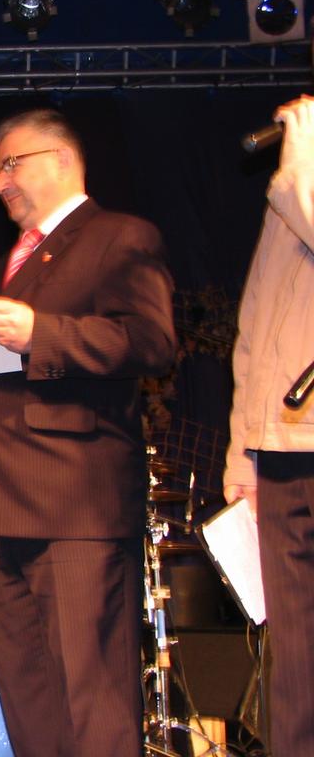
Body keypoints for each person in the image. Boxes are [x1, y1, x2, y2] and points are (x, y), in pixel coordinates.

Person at [0, 108, 175, 756]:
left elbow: (151, 340)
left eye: (10, 165)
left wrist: (42, 332)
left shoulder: (120, 237)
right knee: (29, 697)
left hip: (76, 505)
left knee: (90, 700)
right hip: (2, 502)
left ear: (63, 159)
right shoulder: (3, 266)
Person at [224, 94, 314, 756]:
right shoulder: (295, 178)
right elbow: (255, 325)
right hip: (283, 443)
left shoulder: (298, 173)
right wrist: (243, 451)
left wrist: (301, 160)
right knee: (294, 654)